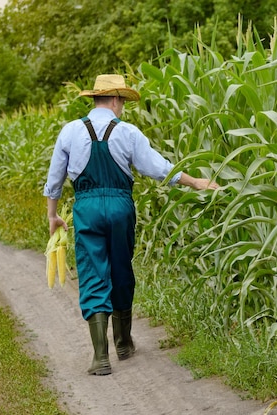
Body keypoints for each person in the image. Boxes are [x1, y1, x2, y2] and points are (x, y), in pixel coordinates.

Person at [43, 74, 218, 376]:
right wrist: (196, 182)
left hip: (87, 207)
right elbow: (159, 168)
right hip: (121, 207)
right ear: (115, 99)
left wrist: (53, 215)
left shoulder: (70, 131)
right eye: (122, 101)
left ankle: (100, 358)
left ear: (96, 99)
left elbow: (54, 179)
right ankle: (124, 343)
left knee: (93, 273)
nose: (122, 107)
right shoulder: (128, 133)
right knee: (121, 270)